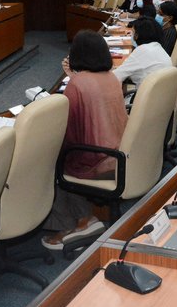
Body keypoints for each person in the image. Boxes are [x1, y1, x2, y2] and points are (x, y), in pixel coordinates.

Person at [42, 31, 128, 250]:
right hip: (118, 153)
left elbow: (67, 131)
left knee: (52, 160)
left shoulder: (78, 84)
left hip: (96, 160)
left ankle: (74, 223)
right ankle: (84, 218)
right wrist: (74, 77)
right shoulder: (112, 77)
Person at [113, 16, 172, 89]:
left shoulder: (143, 50)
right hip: (159, 95)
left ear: (138, 35)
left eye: (133, 32)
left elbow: (116, 77)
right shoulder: (157, 47)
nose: (131, 35)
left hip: (143, 97)